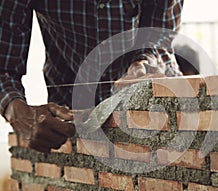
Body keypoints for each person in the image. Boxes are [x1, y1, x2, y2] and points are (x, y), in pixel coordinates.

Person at [0, 0, 184, 153]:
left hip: (156, 101)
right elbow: (3, 67)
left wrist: (146, 62)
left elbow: (159, 35)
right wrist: (16, 111)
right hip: (71, 113)